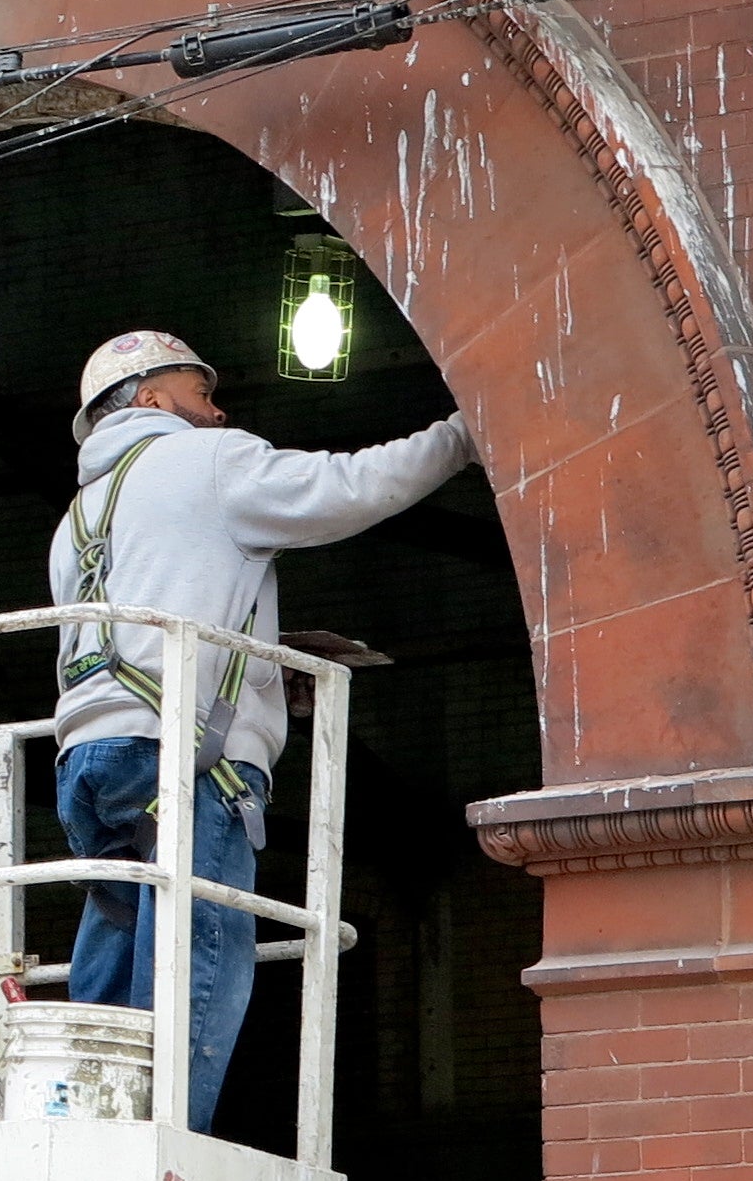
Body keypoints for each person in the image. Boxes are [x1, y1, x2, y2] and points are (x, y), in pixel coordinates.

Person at [47, 326, 472, 1132]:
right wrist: (459, 438)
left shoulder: (79, 517)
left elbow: (155, 616)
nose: (217, 410)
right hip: (186, 761)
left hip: (89, 758)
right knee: (197, 949)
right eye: (200, 391)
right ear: (149, 397)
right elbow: (347, 488)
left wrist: (267, 667)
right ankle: (161, 1141)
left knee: (117, 944)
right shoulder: (207, 461)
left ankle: (83, 1129)